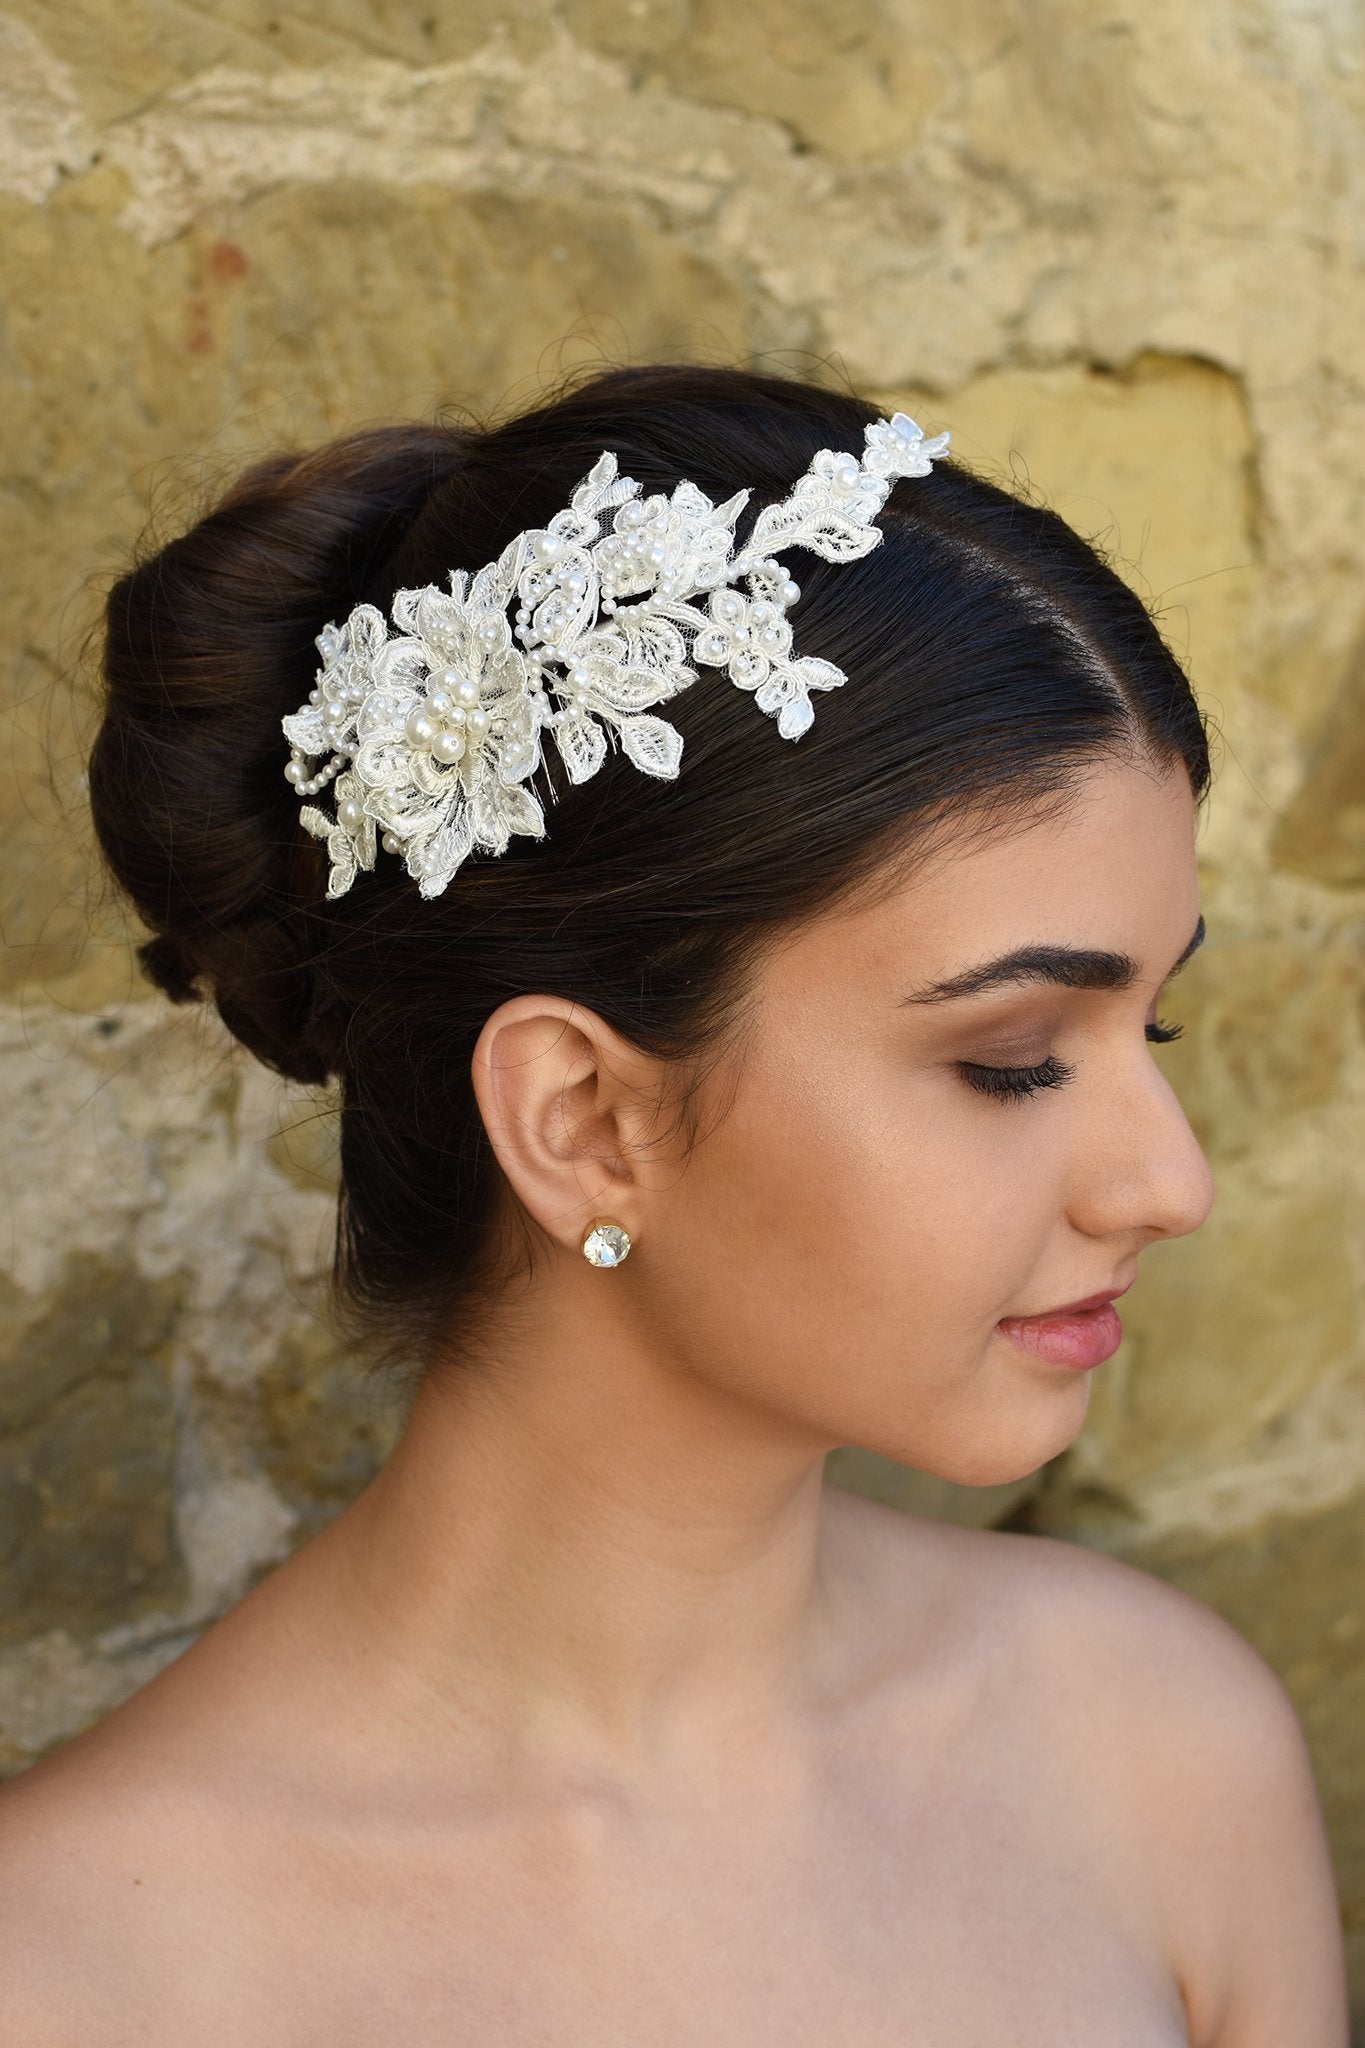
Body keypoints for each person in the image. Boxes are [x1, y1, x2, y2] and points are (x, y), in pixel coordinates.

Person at [0, 365, 1348, 2045]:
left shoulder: (1157, 1749)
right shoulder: (83, 1975)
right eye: (1009, 1058)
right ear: (581, 1122)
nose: (1175, 1183)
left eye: (1145, 1023)